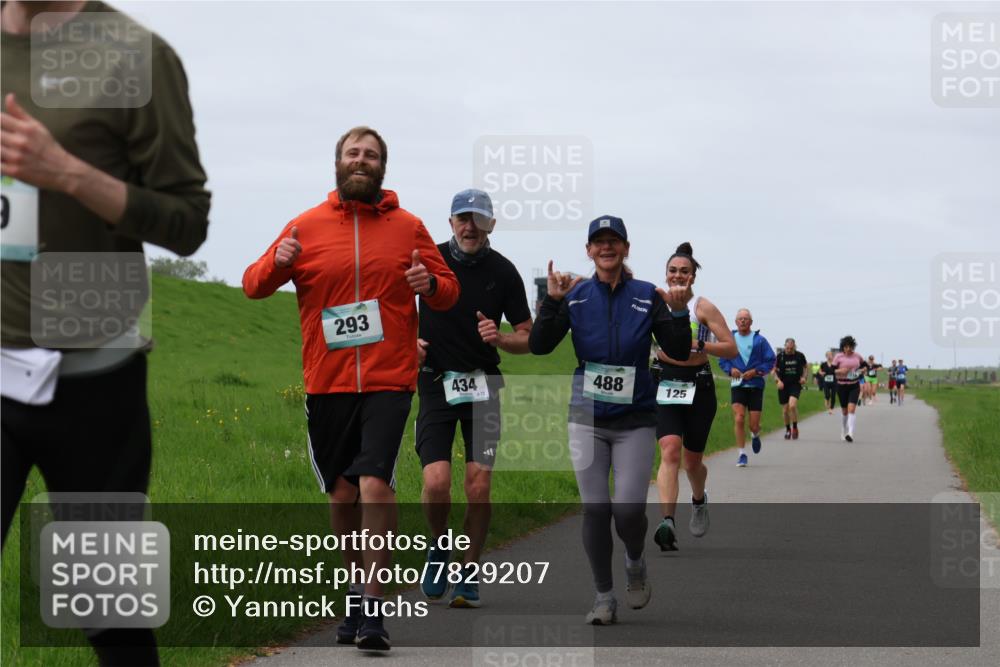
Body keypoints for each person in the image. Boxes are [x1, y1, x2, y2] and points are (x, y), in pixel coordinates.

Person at [2, 3, 210, 665]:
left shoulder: (135, 54)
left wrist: (65, 171)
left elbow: (186, 222)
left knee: (109, 615)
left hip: (94, 380)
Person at [242, 126, 459, 651]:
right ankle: (355, 593)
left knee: (374, 485)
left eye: (372, 155)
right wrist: (280, 261)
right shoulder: (306, 225)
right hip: (327, 380)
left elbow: (448, 291)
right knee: (341, 495)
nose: (362, 160)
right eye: (353, 153)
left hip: (389, 378)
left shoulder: (408, 227)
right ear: (338, 162)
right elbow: (253, 284)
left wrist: (429, 285)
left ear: (383, 166)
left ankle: (374, 607)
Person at [529, 215, 692, 625]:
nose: (606, 248)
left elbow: (676, 348)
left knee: (628, 512)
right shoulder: (577, 295)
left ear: (626, 248)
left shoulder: (647, 295)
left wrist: (677, 313)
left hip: (635, 419)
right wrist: (551, 301)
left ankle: (635, 560)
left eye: (613, 241)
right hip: (586, 416)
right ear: (588, 250)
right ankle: (604, 595)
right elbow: (541, 345)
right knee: (596, 509)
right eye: (598, 242)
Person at [415, 189, 532, 608]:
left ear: (491, 225)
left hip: (484, 385)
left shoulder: (504, 272)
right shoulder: (428, 262)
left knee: (478, 486)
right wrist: (408, 340)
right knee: (437, 481)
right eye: (461, 218)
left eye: (478, 219)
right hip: (435, 381)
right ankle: (438, 544)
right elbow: (390, 304)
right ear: (449, 224)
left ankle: (468, 569)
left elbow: (528, 335)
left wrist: (501, 338)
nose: (469, 226)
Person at [650, 243, 736, 552]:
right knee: (670, 450)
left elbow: (730, 348)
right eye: (673, 270)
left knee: (692, 461)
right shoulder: (654, 302)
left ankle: (698, 500)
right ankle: (667, 522)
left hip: (699, 386)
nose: (678, 276)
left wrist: (703, 347)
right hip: (665, 381)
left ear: (693, 277)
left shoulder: (703, 308)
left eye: (684, 271)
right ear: (666, 273)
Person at [718, 310, 776, 467]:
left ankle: (755, 433)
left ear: (751, 322)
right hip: (738, 384)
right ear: (736, 322)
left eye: (746, 319)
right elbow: (722, 359)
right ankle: (742, 454)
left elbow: (770, 360)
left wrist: (756, 371)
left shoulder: (760, 341)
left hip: (755, 385)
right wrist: (730, 370)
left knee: (753, 424)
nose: (743, 321)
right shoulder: (729, 339)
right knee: (739, 417)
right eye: (740, 319)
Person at [831, 335, 869, 442]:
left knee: (851, 409)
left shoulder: (857, 356)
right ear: (843, 347)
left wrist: (864, 369)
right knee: (844, 411)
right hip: (841, 385)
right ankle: (843, 430)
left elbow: (865, 365)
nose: (848, 349)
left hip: (854, 385)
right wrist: (840, 371)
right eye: (846, 346)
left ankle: (850, 433)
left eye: (850, 346)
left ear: (853, 347)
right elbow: (831, 370)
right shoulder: (838, 357)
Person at [772, 338, 809, 440]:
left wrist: (804, 377)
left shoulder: (800, 356)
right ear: (785, 346)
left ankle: (795, 428)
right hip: (783, 385)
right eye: (787, 348)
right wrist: (777, 381)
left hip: (795, 384)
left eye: (791, 348)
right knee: (784, 411)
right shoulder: (780, 356)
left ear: (794, 347)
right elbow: (773, 370)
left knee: (792, 406)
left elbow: (806, 367)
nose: (789, 350)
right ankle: (788, 430)